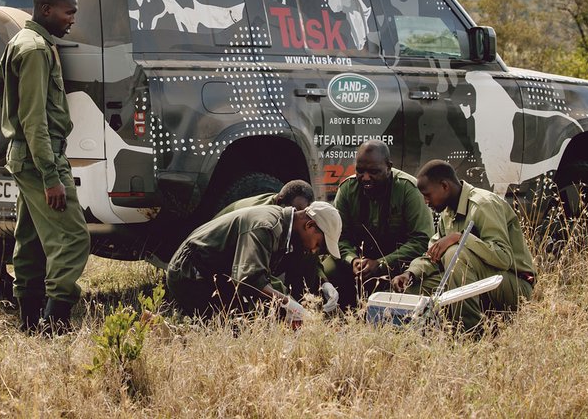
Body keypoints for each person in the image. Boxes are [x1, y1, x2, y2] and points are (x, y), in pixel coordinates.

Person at [0, 0, 90, 334]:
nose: (72, 20)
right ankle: (55, 322)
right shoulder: (34, 50)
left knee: (30, 240)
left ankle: (29, 322)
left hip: (25, 156)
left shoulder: (23, 41)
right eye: (69, 12)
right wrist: (51, 177)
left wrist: (11, 115)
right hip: (39, 159)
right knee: (74, 238)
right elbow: (34, 120)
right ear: (47, 10)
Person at [391, 160, 536, 331]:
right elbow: (434, 254)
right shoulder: (447, 212)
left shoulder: (483, 204)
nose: (425, 202)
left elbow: (503, 258)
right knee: (414, 288)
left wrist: (460, 238)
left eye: (428, 195)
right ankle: (424, 333)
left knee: (455, 254)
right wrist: (410, 273)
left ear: (445, 186)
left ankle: (469, 335)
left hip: (514, 285)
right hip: (477, 279)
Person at [165, 201, 342, 324]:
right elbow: (248, 281)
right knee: (231, 330)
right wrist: (291, 305)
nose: (314, 251)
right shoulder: (266, 226)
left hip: (218, 271)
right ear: (309, 225)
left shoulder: (288, 227)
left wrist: (324, 284)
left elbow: (300, 266)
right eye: (319, 245)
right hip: (190, 271)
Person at [324, 140, 433, 308]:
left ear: (389, 167)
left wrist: (383, 264)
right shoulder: (347, 189)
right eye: (360, 171)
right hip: (358, 264)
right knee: (326, 271)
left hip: (398, 264)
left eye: (373, 172)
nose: (365, 177)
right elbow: (338, 236)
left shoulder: (408, 189)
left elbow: (421, 240)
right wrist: (352, 260)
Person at [216, 180, 335, 310]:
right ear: (280, 203)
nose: (300, 215)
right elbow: (250, 277)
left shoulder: (298, 222)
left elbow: (308, 256)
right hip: (220, 260)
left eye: (304, 212)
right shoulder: (263, 221)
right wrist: (287, 302)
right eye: (296, 211)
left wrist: (323, 282)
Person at [215, 179, 314, 217]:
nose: (302, 216)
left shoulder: (275, 200)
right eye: (298, 210)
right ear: (280, 202)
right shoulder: (261, 216)